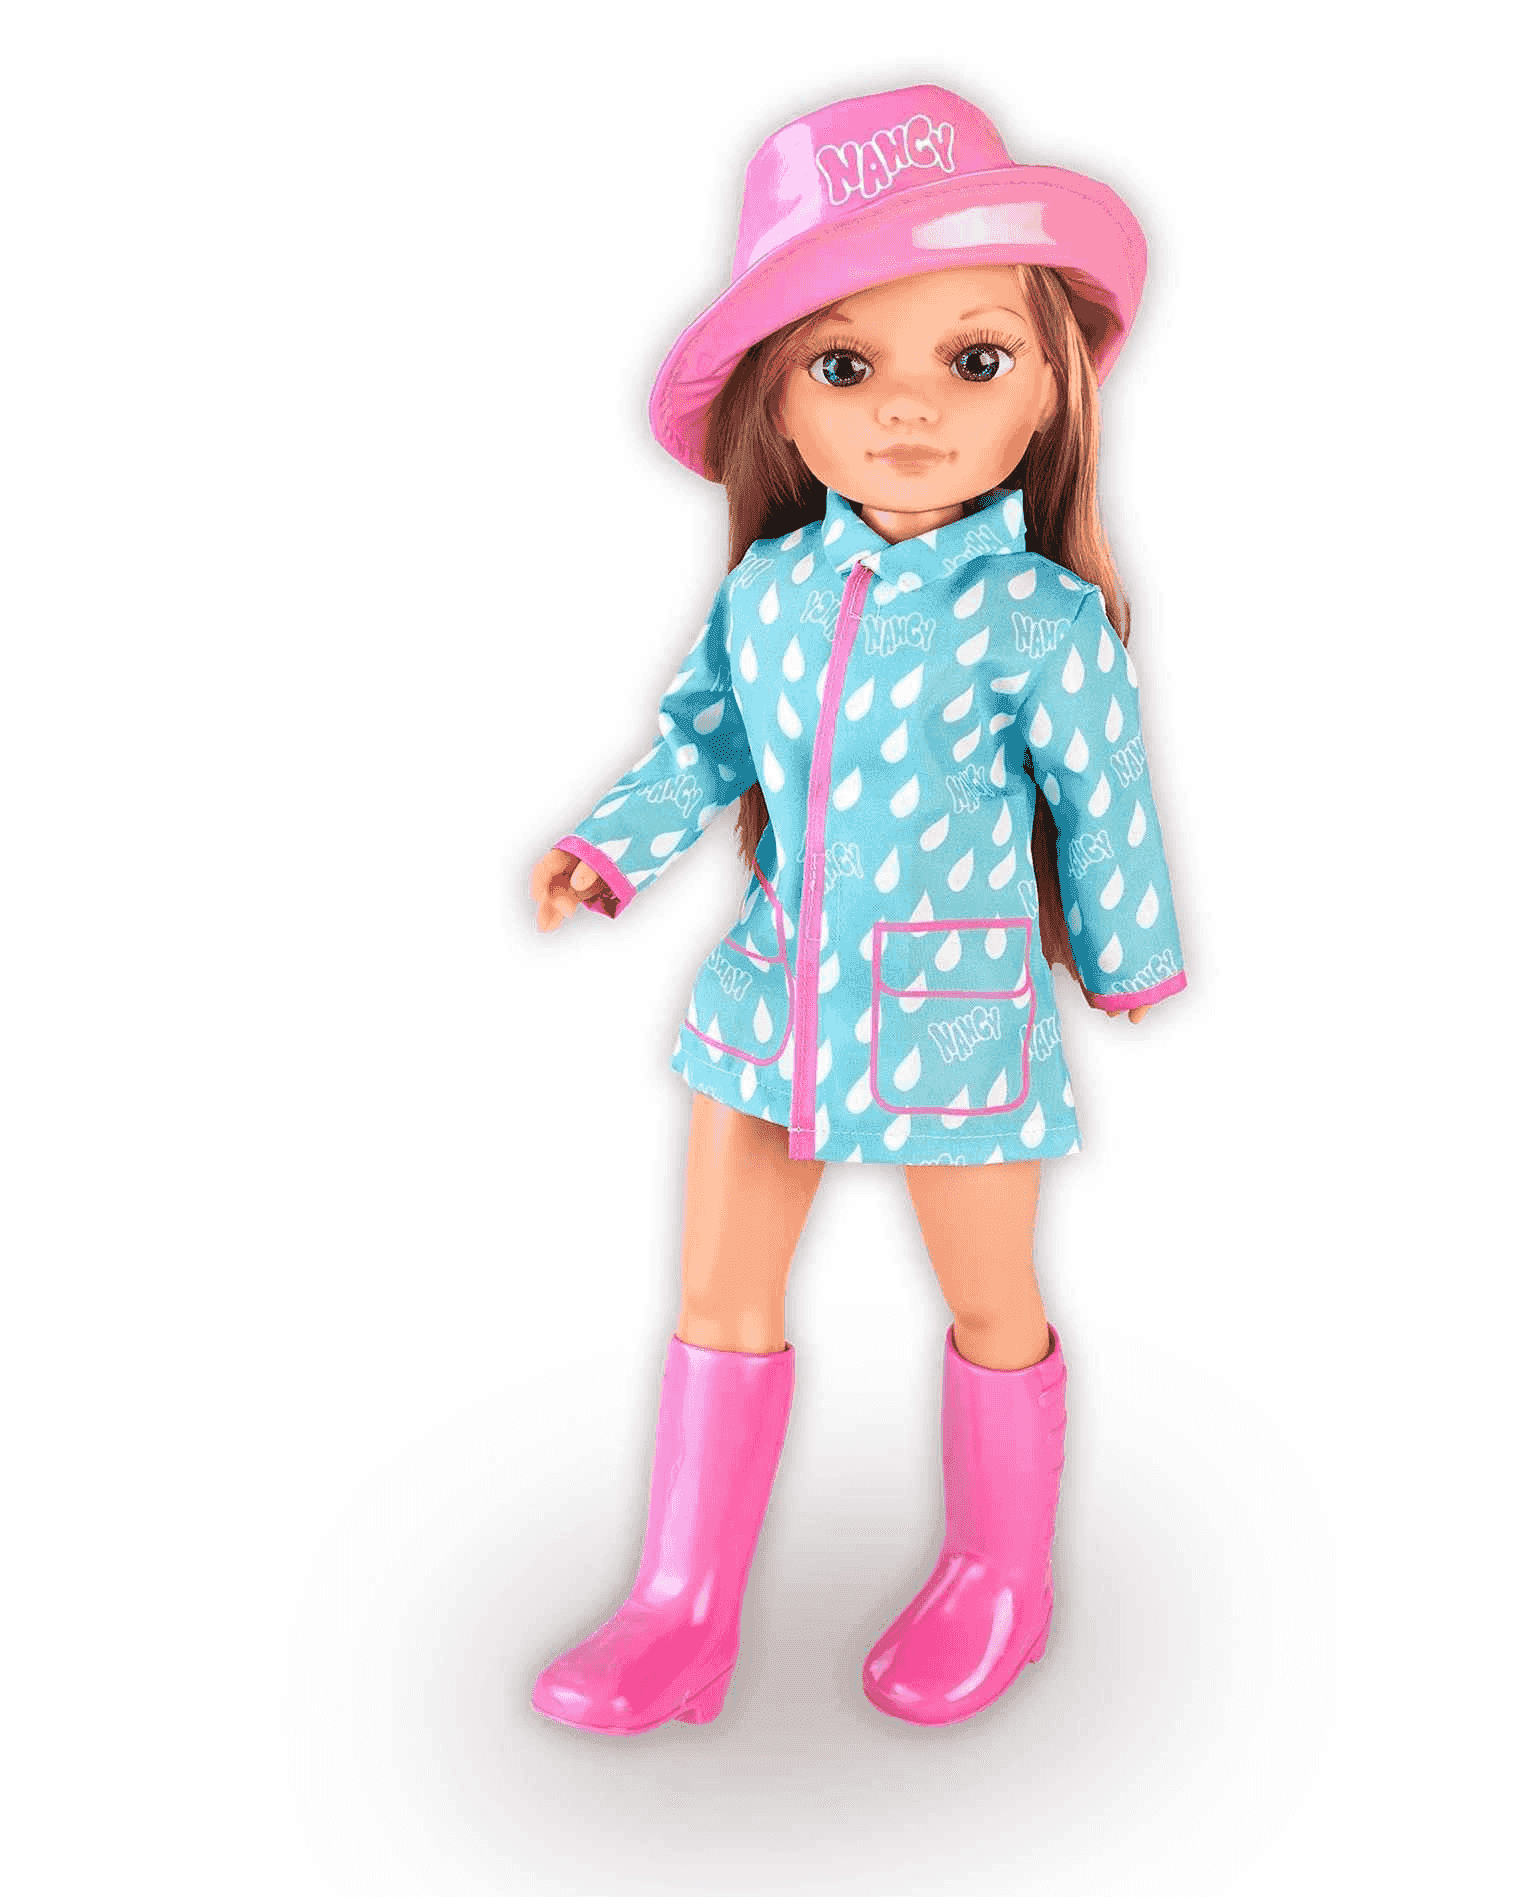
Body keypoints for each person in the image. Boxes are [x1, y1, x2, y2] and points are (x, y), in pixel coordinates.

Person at [527, 84, 1188, 1733]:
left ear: (1054, 383)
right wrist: (611, 850)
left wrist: (1127, 958)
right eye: (843, 367)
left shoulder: (1040, 619)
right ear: (777, 396)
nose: (907, 408)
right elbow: (703, 740)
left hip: (955, 1011)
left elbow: (1107, 795)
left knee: (989, 1299)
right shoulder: (768, 592)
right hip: (774, 995)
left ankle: (1002, 1576)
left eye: (973, 359)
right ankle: (682, 1608)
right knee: (716, 1299)